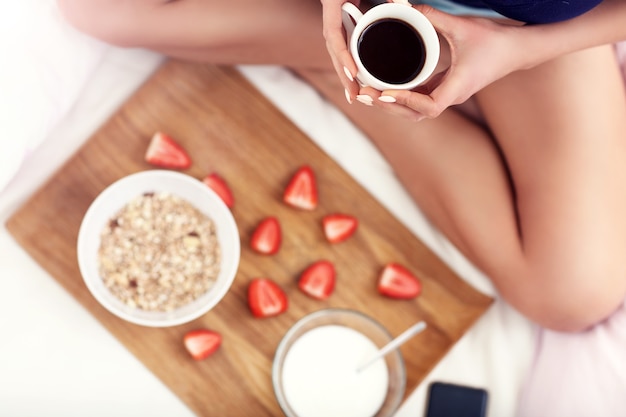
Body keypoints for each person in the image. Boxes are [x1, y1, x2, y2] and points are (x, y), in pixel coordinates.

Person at [56, 0, 626, 332]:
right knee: (96, 7)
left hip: (524, 26)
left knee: (572, 293)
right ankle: (345, 60)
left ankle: (342, 69)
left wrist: (520, 50)